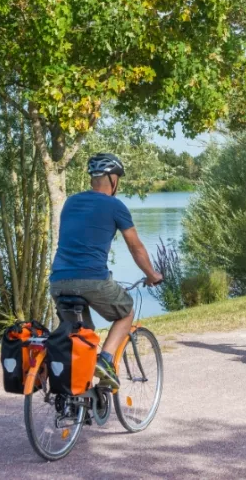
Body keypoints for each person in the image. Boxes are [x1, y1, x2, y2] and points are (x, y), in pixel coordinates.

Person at [49, 153, 163, 390]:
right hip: (93, 281)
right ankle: (107, 360)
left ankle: (75, 399)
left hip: (59, 282)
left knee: (81, 337)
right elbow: (135, 247)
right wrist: (152, 275)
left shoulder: (70, 202)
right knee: (126, 312)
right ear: (113, 179)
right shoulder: (115, 206)